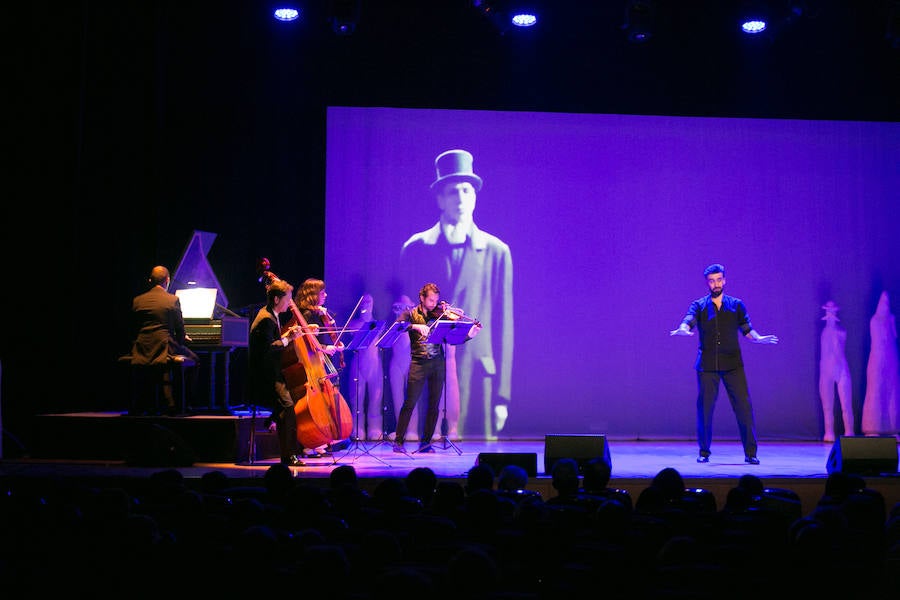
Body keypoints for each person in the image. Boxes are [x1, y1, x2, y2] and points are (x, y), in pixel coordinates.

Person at [398, 148, 513, 441]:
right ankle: (415, 440)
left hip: (480, 378)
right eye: (452, 191)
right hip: (429, 357)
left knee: (487, 450)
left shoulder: (498, 251)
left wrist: (503, 394)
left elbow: (504, 325)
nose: (461, 198)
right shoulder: (415, 247)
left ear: (475, 195)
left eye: (467, 190)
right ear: (440, 198)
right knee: (421, 404)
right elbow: (406, 308)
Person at [670, 263, 778, 465]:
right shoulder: (699, 305)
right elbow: (689, 320)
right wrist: (683, 328)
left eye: (719, 280)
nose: (716, 284)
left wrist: (758, 338)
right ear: (707, 283)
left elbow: (747, 329)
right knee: (705, 409)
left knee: (744, 408)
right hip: (707, 365)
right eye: (712, 281)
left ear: (724, 280)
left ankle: (751, 453)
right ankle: (704, 452)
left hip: (732, 365)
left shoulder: (736, 304)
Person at [392, 282, 481, 454]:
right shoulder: (410, 313)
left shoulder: (440, 314)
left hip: (437, 363)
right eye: (431, 300)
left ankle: (426, 443)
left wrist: (471, 334)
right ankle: (399, 442)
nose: (434, 304)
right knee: (409, 403)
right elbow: (397, 326)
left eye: (436, 301)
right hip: (419, 362)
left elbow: (453, 337)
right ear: (422, 298)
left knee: (434, 405)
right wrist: (415, 326)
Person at [247, 278, 306, 466]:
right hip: (265, 377)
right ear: (276, 299)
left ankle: (285, 445)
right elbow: (269, 349)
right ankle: (288, 455)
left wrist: (289, 335)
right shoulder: (265, 319)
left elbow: (273, 342)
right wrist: (289, 339)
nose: (290, 304)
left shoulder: (270, 315)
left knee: (292, 400)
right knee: (288, 406)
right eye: (288, 299)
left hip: (273, 372)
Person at [130, 265, 199, 416]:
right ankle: (184, 404)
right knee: (194, 359)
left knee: (165, 361)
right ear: (167, 281)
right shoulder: (172, 300)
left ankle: (148, 403)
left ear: (150, 281)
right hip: (163, 347)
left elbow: (134, 329)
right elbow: (180, 332)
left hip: (142, 349)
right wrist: (182, 340)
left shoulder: (137, 301)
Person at [292, 277, 348, 456]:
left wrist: (334, 345)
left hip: (320, 363)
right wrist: (326, 349)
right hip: (311, 364)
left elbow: (323, 337)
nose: (326, 295)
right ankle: (311, 439)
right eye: (322, 292)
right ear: (313, 295)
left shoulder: (316, 314)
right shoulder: (305, 315)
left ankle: (321, 436)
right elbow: (307, 343)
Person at [344, 293, 385, 440]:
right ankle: (357, 428)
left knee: (376, 397)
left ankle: (375, 427)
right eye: (363, 302)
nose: (366, 304)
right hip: (358, 363)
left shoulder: (379, 324)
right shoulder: (353, 324)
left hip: (375, 364)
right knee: (356, 398)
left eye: (369, 301)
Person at [819, 300, 853, 442]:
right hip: (826, 370)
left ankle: (849, 431)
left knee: (846, 403)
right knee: (827, 406)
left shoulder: (841, 332)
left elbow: (838, 350)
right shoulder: (824, 332)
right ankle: (829, 432)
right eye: (828, 311)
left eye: (832, 311)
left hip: (841, 368)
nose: (830, 313)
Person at [387, 294, 418, 440]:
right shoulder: (396, 325)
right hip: (396, 364)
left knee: (412, 398)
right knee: (397, 397)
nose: (403, 310)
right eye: (400, 307)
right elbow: (390, 340)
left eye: (407, 307)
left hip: (410, 362)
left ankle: (412, 430)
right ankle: (400, 430)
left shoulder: (414, 325)